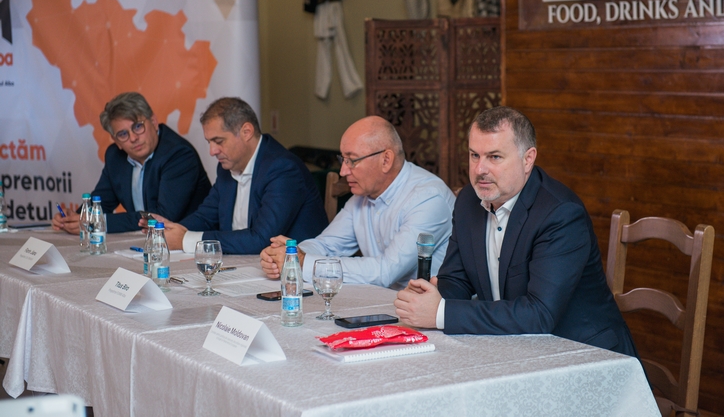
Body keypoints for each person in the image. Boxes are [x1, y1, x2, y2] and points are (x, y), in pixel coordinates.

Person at [394, 106, 639, 358]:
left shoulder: (560, 213)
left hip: (584, 353)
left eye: (494, 157)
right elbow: (457, 279)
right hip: (513, 347)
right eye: (474, 155)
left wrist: (441, 313)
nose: (479, 169)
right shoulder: (468, 200)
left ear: (528, 159)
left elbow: (540, 314)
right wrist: (432, 299)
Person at [260, 116, 456, 290]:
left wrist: (304, 262)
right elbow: (326, 245)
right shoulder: (361, 198)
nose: (343, 171)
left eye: (352, 161)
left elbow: (386, 271)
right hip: (379, 301)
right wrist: (289, 255)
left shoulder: (428, 198)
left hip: (430, 310)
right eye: (343, 160)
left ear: (386, 160)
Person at [156, 97, 328, 254]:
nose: (212, 151)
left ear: (246, 132)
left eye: (219, 141)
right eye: (209, 142)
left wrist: (186, 240)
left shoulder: (283, 169)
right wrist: (171, 230)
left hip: (294, 271)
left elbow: (261, 239)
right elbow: (205, 217)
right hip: (245, 264)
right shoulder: (226, 167)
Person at [52, 92, 211, 234]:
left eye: (138, 126)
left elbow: (161, 216)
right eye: (123, 134)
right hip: (145, 241)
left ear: (154, 122)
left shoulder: (178, 155)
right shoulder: (115, 156)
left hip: (189, 244)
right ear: (116, 141)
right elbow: (102, 201)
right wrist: (75, 217)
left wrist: (98, 222)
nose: (133, 138)